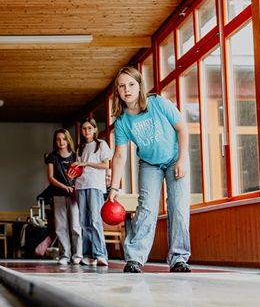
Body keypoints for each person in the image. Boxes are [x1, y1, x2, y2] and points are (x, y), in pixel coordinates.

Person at [107, 66, 191, 273]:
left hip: (174, 159)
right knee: (146, 208)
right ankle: (135, 259)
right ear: (117, 91)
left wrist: (182, 159)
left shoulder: (158, 103)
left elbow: (182, 129)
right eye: (122, 86)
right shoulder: (122, 121)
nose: (127, 89)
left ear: (140, 86)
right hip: (149, 164)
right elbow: (119, 156)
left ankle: (179, 258)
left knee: (178, 207)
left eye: (131, 84)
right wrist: (113, 188)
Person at [74, 117, 113, 267]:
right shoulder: (80, 148)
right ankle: (88, 255)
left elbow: (105, 165)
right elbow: (78, 168)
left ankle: (101, 254)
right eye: (84, 129)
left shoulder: (101, 145)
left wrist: (87, 163)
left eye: (89, 128)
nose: (86, 131)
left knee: (95, 220)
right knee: (84, 221)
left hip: (95, 186)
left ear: (95, 129)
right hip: (80, 186)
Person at [44, 129, 82, 265]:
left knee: (76, 226)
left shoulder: (76, 156)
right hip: (58, 194)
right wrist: (64, 187)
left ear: (68, 140)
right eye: (58, 139)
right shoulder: (52, 157)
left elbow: (81, 175)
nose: (61, 142)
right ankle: (65, 255)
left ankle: (78, 255)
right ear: (55, 141)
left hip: (74, 195)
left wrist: (73, 188)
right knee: (61, 226)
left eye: (63, 139)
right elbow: (50, 177)